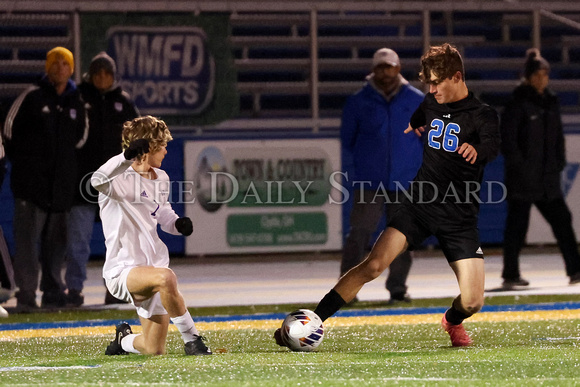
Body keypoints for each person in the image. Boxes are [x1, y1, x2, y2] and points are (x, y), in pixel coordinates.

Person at [275, 43, 500, 347]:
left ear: (457, 77)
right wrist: (414, 124)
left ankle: (451, 321)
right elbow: (421, 116)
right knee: (373, 265)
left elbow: (491, 146)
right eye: (428, 82)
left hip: (459, 216)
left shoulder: (483, 114)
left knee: (473, 301)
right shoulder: (430, 103)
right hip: (419, 203)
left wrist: (477, 150)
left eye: (436, 82)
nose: (430, 89)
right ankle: (312, 321)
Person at [91, 116, 211, 356]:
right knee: (166, 278)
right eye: (163, 144)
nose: (166, 149)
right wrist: (125, 157)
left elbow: (162, 212)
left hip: (152, 267)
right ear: (149, 146)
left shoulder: (161, 177)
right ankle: (193, 341)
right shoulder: (118, 179)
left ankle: (123, 341)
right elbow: (97, 180)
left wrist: (177, 224)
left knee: (153, 348)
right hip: (122, 271)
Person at [3, 46, 88, 311]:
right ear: (47, 66)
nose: (59, 67)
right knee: (27, 244)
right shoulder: (31, 96)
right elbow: (8, 131)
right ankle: (26, 294)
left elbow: (81, 139)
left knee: (56, 247)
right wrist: (27, 165)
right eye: (55, 62)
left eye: (65, 63)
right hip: (31, 187)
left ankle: (53, 292)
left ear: (71, 69)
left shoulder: (76, 102)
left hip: (60, 189)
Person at [340, 48, 424, 304]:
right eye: (381, 68)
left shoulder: (417, 100)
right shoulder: (358, 101)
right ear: (373, 70)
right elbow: (348, 139)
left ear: (398, 68)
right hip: (370, 180)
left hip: (405, 179)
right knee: (359, 234)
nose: (385, 72)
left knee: (401, 238)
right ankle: (346, 288)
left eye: (389, 67)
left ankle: (397, 287)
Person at [500, 48, 580, 288]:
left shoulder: (551, 102)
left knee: (563, 221)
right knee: (517, 227)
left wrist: (559, 163)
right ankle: (510, 274)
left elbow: (557, 138)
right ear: (529, 76)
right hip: (523, 179)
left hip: (547, 179)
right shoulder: (517, 102)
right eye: (538, 73)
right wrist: (520, 168)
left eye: (546, 73)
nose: (543, 78)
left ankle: (575, 270)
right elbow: (509, 140)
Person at [65, 51, 139, 307]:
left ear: (113, 76)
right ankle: (74, 289)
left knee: (117, 242)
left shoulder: (124, 102)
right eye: (97, 73)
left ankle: (115, 289)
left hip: (115, 186)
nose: (102, 78)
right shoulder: (78, 97)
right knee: (78, 242)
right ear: (90, 75)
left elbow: (138, 139)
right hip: (83, 183)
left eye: (107, 73)